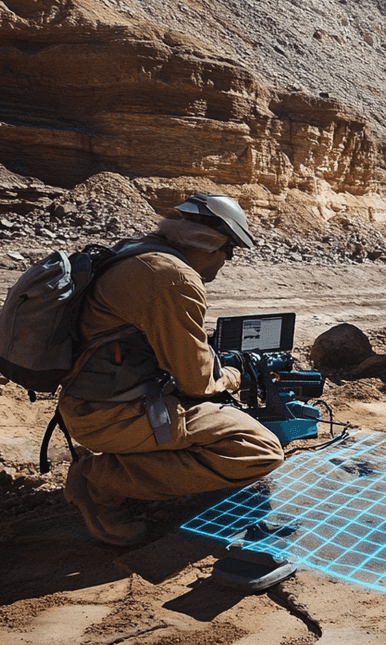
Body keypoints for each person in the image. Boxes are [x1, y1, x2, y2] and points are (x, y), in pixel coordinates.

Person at [59, 193, 286, 546]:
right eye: (230, 251)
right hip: (111, 414)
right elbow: (197, 383)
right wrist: (234, 375)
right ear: (212, 245)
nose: (227, 260)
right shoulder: (174, 278)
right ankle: (100, 483)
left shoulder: (140, 252)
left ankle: (126, 466)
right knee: (258, 449)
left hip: (93, 399)